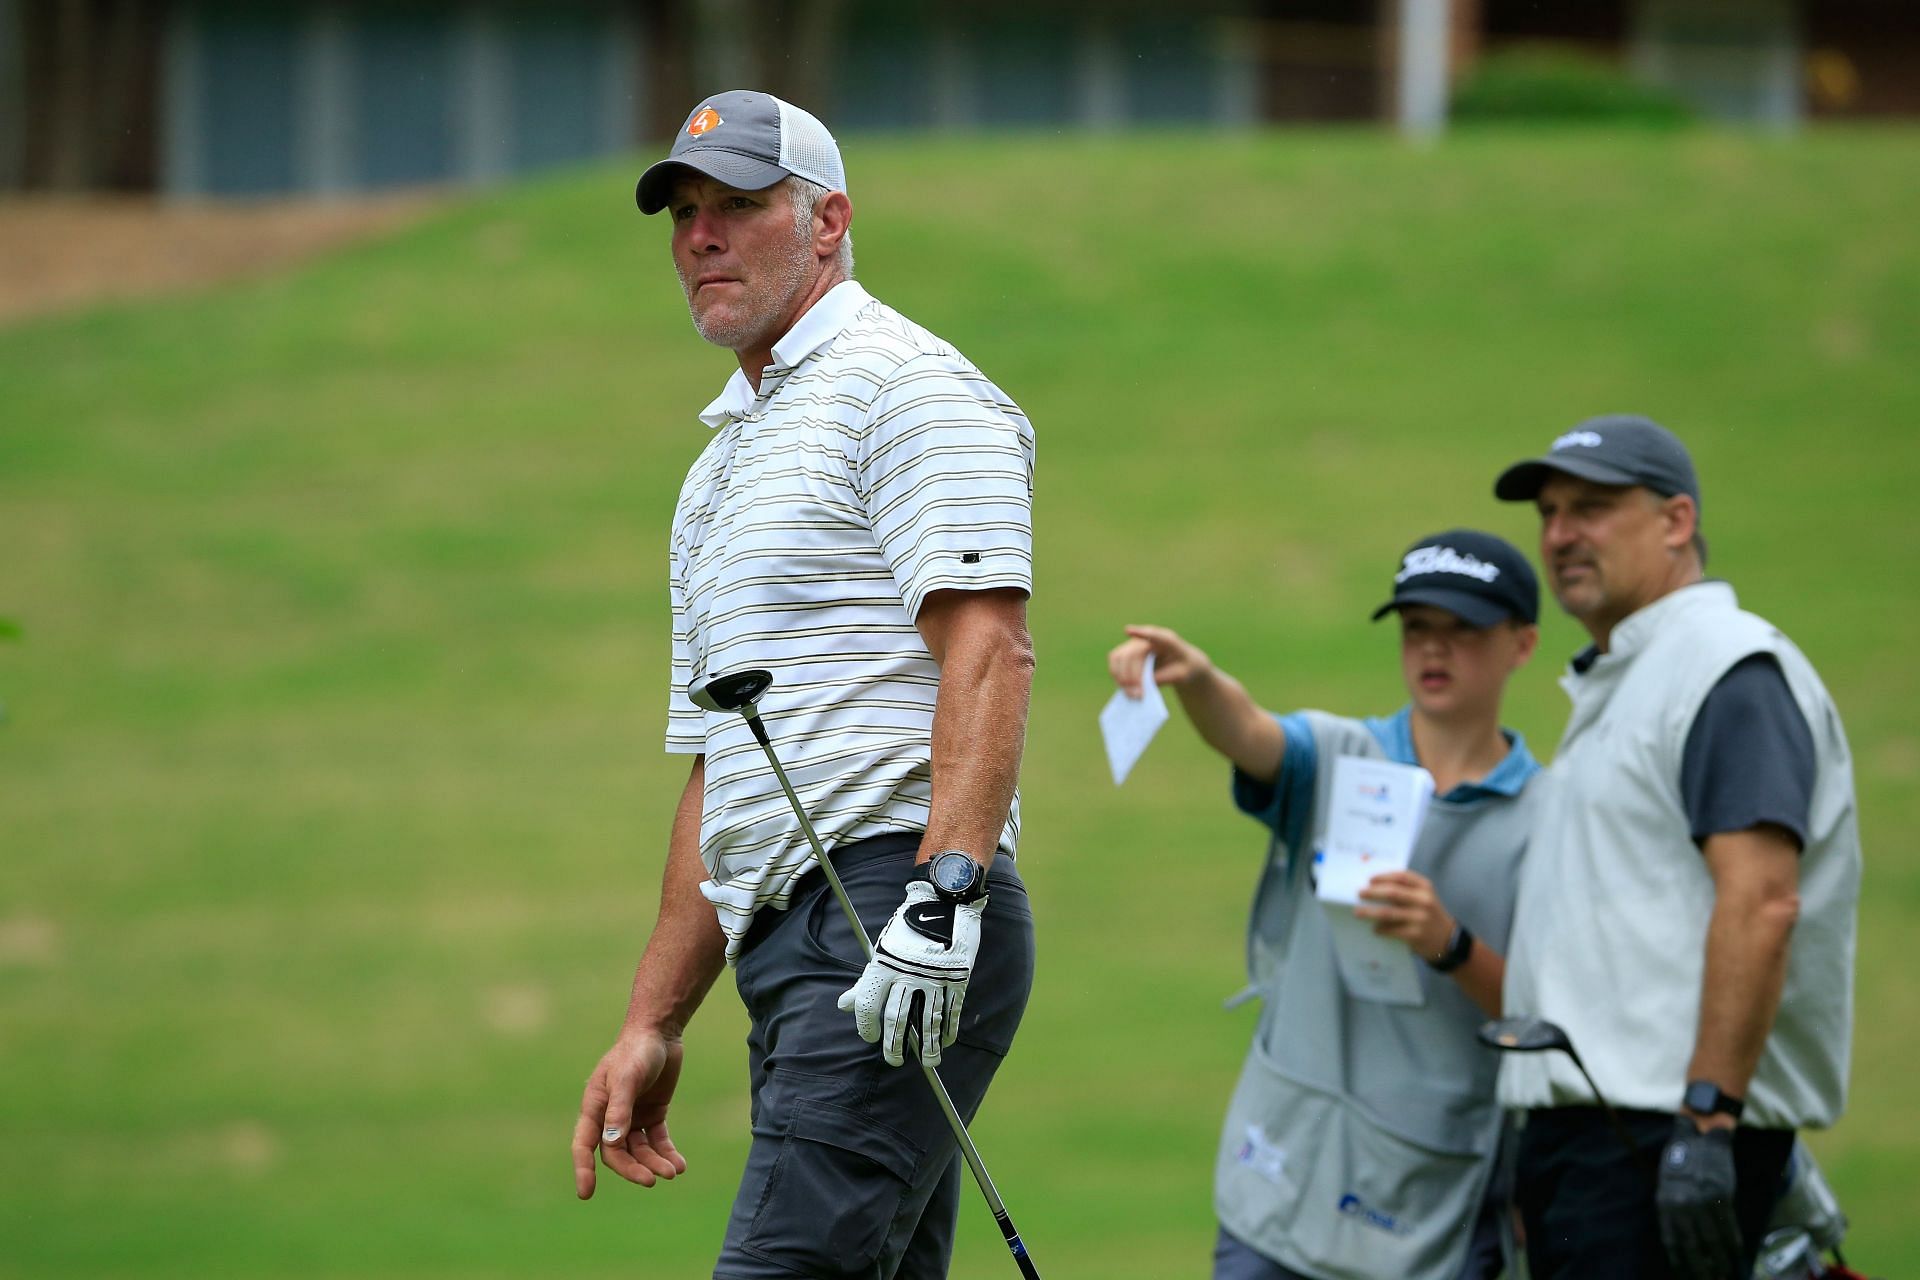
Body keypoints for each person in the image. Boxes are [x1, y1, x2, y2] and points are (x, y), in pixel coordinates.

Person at [568, 90, 1039, 1280]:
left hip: (894, 901)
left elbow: (989, 649)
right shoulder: (719, 465)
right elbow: (721, 765)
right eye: (683, 211)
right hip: (790, 938)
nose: (700, 236)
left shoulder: (909, 385)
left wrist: (944, 896)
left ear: (827, 220)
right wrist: (654, 1019)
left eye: (737, 204)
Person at [1108, 529, 1544, 1280]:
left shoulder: (1550, 818)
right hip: (1281, 1175)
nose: (1434, 650)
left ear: (1523, 644)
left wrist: (1450, 944)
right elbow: (1251, 733)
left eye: (1463, 630)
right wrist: (1197, 680)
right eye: (1417, 630)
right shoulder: (1341, 756)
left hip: (1433, 1199)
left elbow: (1550, 1017)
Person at [1491, 415, 1862, 1280]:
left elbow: (1762, 901)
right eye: (1548, 512)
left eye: (1592, 507)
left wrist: (1706, 1125)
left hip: (1661, 1140)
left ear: (1677, 520)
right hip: (1599, 1145)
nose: (1559, 535)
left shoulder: (1723, 668)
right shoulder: (1635, 678)